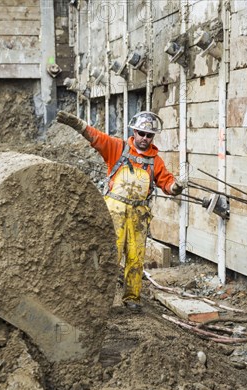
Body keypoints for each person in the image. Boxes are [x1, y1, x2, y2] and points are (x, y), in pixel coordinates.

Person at [55, 110, 184, 311]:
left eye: (149, 135)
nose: (144, 138)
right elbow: (96, 137)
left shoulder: (155, 160)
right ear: (134, 131)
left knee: (135, 257)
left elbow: (166, 182)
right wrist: (77, 124)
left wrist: (176, 187)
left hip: (138, 215)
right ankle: (100, 298)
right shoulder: (118, 148)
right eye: (141, 133)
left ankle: (132, 298)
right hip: (114, 212)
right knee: (109, 256)